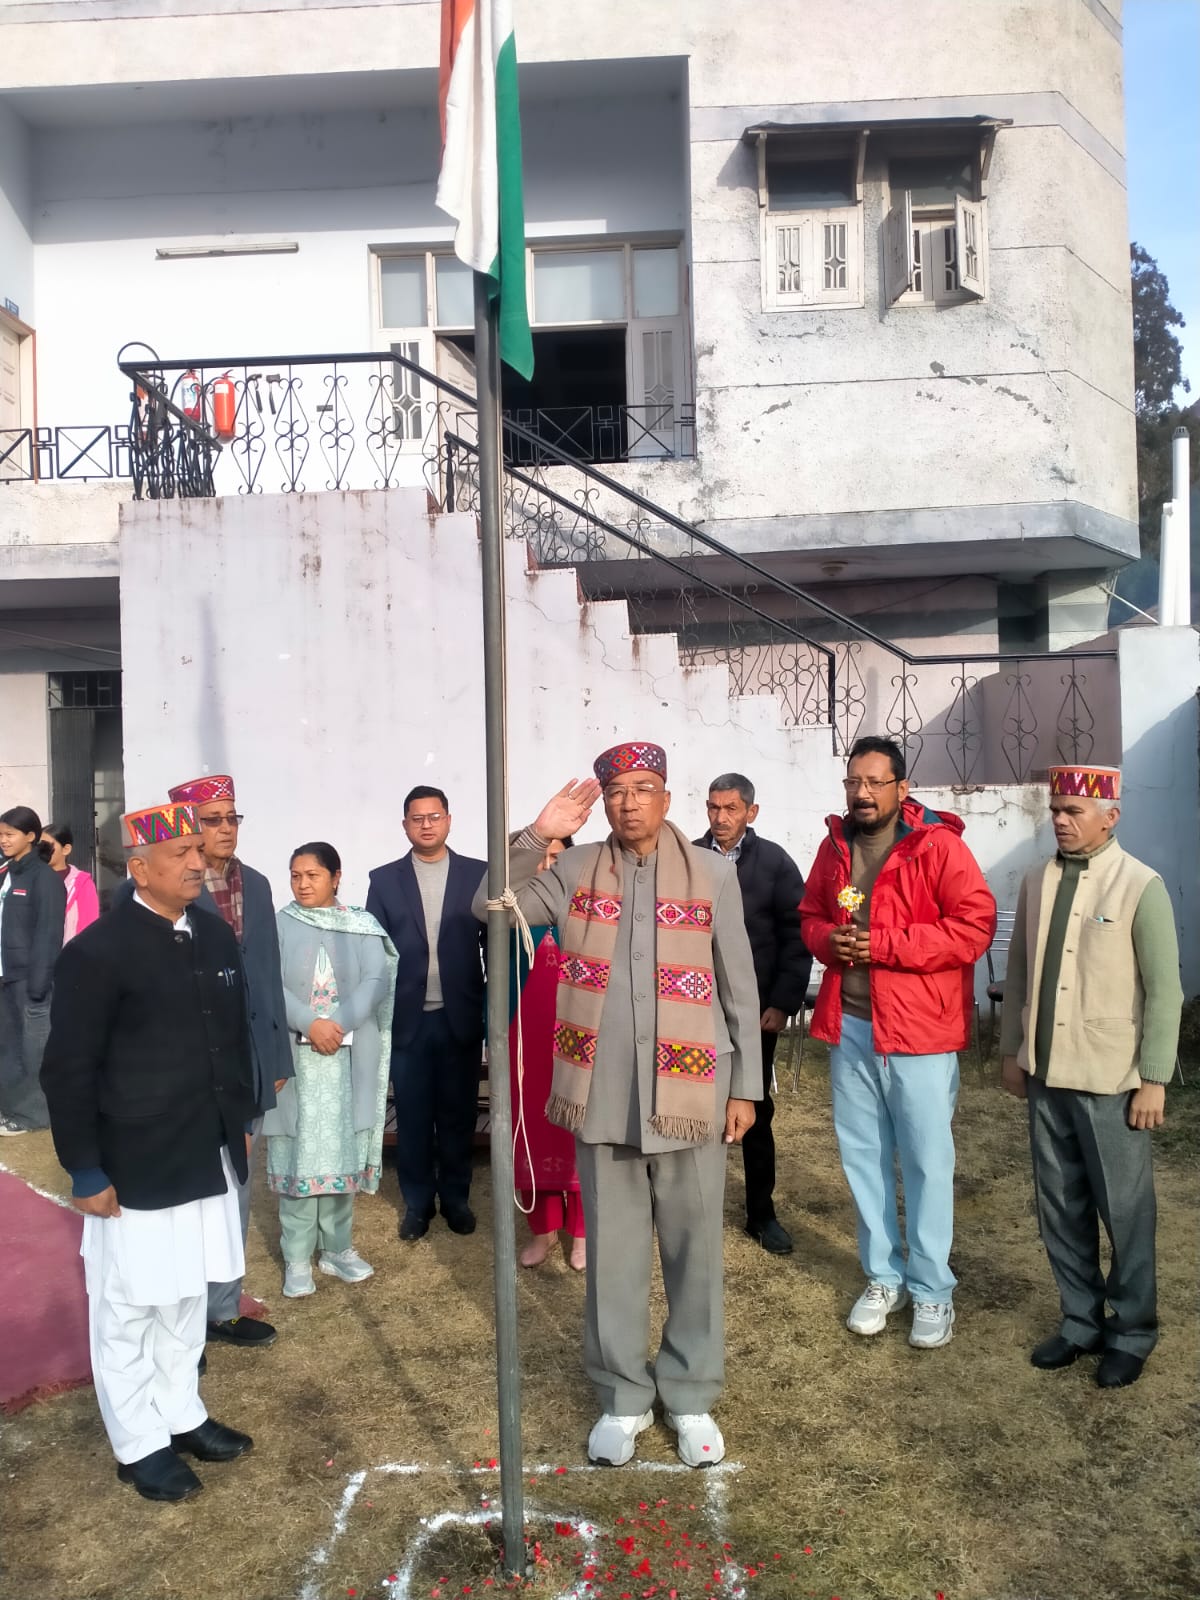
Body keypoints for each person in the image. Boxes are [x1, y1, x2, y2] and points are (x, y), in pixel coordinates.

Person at [479, 745, 760, 1470]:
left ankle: (690, 1392)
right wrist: (534, 836)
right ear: (603, 803)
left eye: (643, 788)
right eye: (616, 792)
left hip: (692, 1097)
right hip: (603, 1097)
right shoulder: (573, 870)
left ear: (666, 797)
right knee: (614, 1257)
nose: (629, 802)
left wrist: (746, 1087)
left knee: (695, 1253)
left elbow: (738, 986)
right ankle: (623, 1395)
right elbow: (494, 908)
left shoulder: (713, 875)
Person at [40, 800, 257, 1503]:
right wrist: (85, 1168)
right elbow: (68, 1069)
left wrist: (238, 1118)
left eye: (200, 848)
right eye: (181, 853)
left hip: (204, 1149)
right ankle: (138, 1443)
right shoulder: (96, 953)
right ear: (139, 868)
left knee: (187, 1292)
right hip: (134, 1161)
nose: (199, 861)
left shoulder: (213, 935)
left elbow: (232, 1036)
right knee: (129, 1306)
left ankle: (181, 1412)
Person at [800, 736, 995, 1350]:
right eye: (853, 782)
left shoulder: (937, 846)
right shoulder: (835, 847)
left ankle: (933, 1288)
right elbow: (810, 916)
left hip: (920, 1032)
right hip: (852, 1027)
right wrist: (827, 941)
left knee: (927, 1163)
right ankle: (884, 1278)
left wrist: (885, 945)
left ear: (901, 788)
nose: (861, 793)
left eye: (874, 782)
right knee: (863, 1158)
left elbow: (974, 927)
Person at [999, 764, 1183, 1389]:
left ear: (1111, 817)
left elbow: (1165, 991)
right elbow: (1019, 972)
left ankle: (1131, 1332)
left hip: (1111, 1080)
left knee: (1125, 1213)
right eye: (1055, 809)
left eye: (1074, 811)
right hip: (1047, 1073)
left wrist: (1153, 1078)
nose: (1060, 820)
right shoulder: (1036, 880)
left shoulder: (1140, 885)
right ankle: (1080, 1321)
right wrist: (1013, 1051)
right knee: (1059, 1206)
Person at [165, 775, 294, 1350]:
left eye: (231, 817)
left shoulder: (258, 884)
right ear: (188, 826)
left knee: (236, 1188)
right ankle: (180, 1315)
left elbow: (266, 973)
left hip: (250, 1063)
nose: (225, 828)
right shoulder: (167, 890)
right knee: (185, 1195)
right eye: (212, 819)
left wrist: (276, 1055)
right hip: (189, 1071)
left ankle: (221, 1308)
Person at [265, 842, 396, 1298]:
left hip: (347, 1056)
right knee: (298, 1155)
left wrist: (336, 1025)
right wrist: (310, 1023)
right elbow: (267, 983)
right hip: (296, 1059)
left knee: (342, 1150)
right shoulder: (279, 924)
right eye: (295, 875)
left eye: (312, 875)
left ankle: (337, 1249)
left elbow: (376, 981)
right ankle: (297, 1257)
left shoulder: (361, 925)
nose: (302, 884)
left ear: (336, 877)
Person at [695, 773, 811, 1255]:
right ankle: (690, 1209)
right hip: (695, 1010)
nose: (720, 818)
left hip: (754, 1012)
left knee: (755, 1109)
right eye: (713, 807)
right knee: (692, 1108)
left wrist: (782, 1002)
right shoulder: (689, 859)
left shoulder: (774, 863)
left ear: (751, 812)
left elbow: (796, 934)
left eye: (731, 809)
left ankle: (761, 1214)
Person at [366, 786, 487, 1241]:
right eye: (417, 818)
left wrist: (490, 1007)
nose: (426, 825)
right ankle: (417, 1204)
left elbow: (492, 945)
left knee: (458, 1114)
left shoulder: (478, 874)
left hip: (460, 1016)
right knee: (414, 1117)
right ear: (405, 826)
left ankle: (456, 1199)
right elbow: (373, 951)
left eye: (434, 817)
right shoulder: (384, 880)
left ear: (449, 820)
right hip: (407, 1020)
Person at [506, 835, 586, 1272]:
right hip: (526, 1038)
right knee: (533, 1129)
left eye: (557, 857)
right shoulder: (513, 913)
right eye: (542, 857)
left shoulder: (590, 908)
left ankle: (583, 1233)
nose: (548, 865)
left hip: (581, 1038)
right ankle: (543, 1230)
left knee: (579, 1128)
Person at [0, 805, 66, 1136]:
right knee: (8, 1047)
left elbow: (48, 933)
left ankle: (34, 1115)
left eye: (9, 834)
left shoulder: (44, 879)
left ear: (30, 836)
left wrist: (39, 984)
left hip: (30, 980)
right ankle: (11, 1107)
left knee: (33, 1050)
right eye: (0, 835)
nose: (3, 840)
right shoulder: (6, 874)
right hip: (5, 977)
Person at [42, 821, 101, 943]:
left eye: (47, 846)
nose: (41, 851)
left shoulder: (82, 883)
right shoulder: (32, 878)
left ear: (66, 849)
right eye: (38, 846)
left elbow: (89, 924)